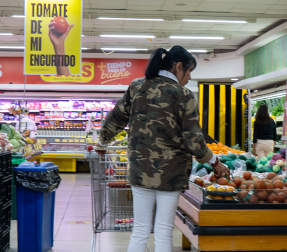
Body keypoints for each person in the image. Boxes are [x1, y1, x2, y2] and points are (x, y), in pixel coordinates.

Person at [95, 46, 230, 252]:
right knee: (164, 230)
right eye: (189, 71)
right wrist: (215, 163)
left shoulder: (136, 86)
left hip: (140, 169)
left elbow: (116, 118)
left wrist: (102, 144)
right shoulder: (184, 95)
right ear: (178, 67)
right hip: (171, 173)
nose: (188, 77)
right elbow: (194, 140)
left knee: (140, 229)